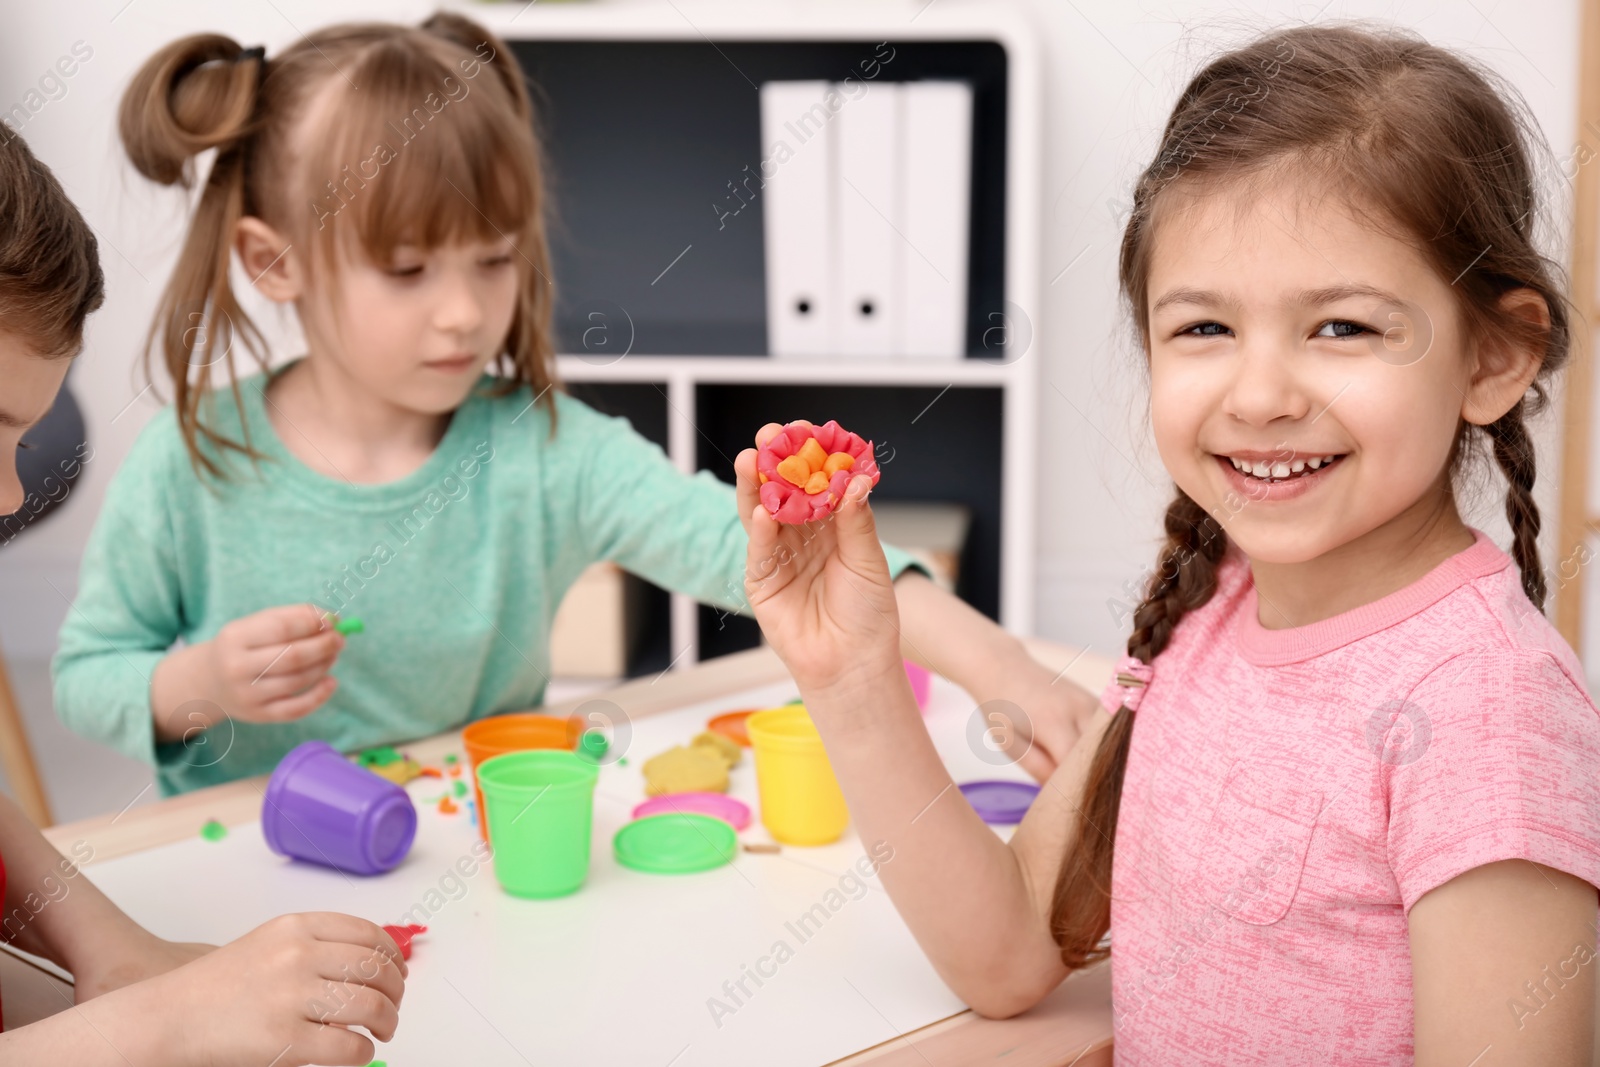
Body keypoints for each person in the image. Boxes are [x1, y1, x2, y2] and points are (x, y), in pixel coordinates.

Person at [737, 24, 1600, 1065]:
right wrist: (850, 675)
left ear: (1493, 356)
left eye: (1342, 328)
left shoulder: (1489, 708)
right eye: (1203, 328)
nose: (1262, 394)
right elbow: (1008, 953)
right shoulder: (1207, 604)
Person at [55, 12, 1089, 795]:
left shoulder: (545, 448)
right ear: (271, 262)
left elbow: (799, 562)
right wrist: (199, 682)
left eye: (495, 258)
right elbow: (88, 673)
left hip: (477, 847)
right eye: (408, 269)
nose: (464, 312)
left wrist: (1010, 668)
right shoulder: (187, 460)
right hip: (242, 885)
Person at [0, 119, 403, 1067]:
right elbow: (93, 677)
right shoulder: (189, 460)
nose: (14, 495)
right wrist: (163, 1024)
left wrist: (109, 953)